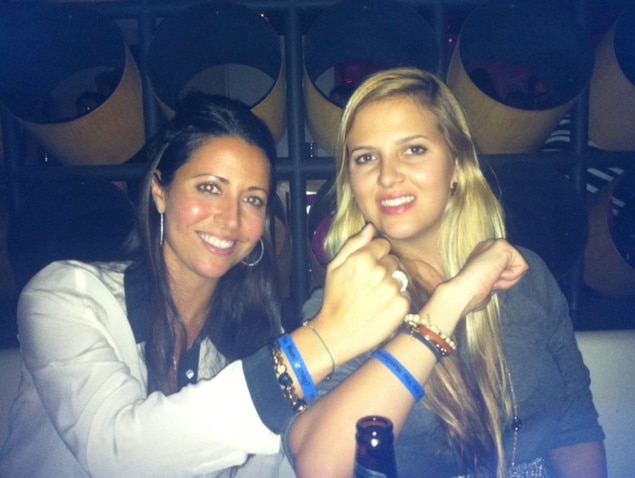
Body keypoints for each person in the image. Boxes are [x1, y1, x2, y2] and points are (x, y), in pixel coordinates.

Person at [0, 92, 411, 477]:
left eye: (253, 199)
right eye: (209, 188)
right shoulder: (66, 296)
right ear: (160, 191)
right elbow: (116, 455)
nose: (231, 219)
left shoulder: (252, 334)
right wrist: (326, 337)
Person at [285, 68, 606, 478]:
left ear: (456, 164)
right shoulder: (343, 304)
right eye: (365, 157)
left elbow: (575, 425)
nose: (387, 175)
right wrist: (452, 300)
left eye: (413, 149)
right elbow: (321, 465)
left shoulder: (525, 275)